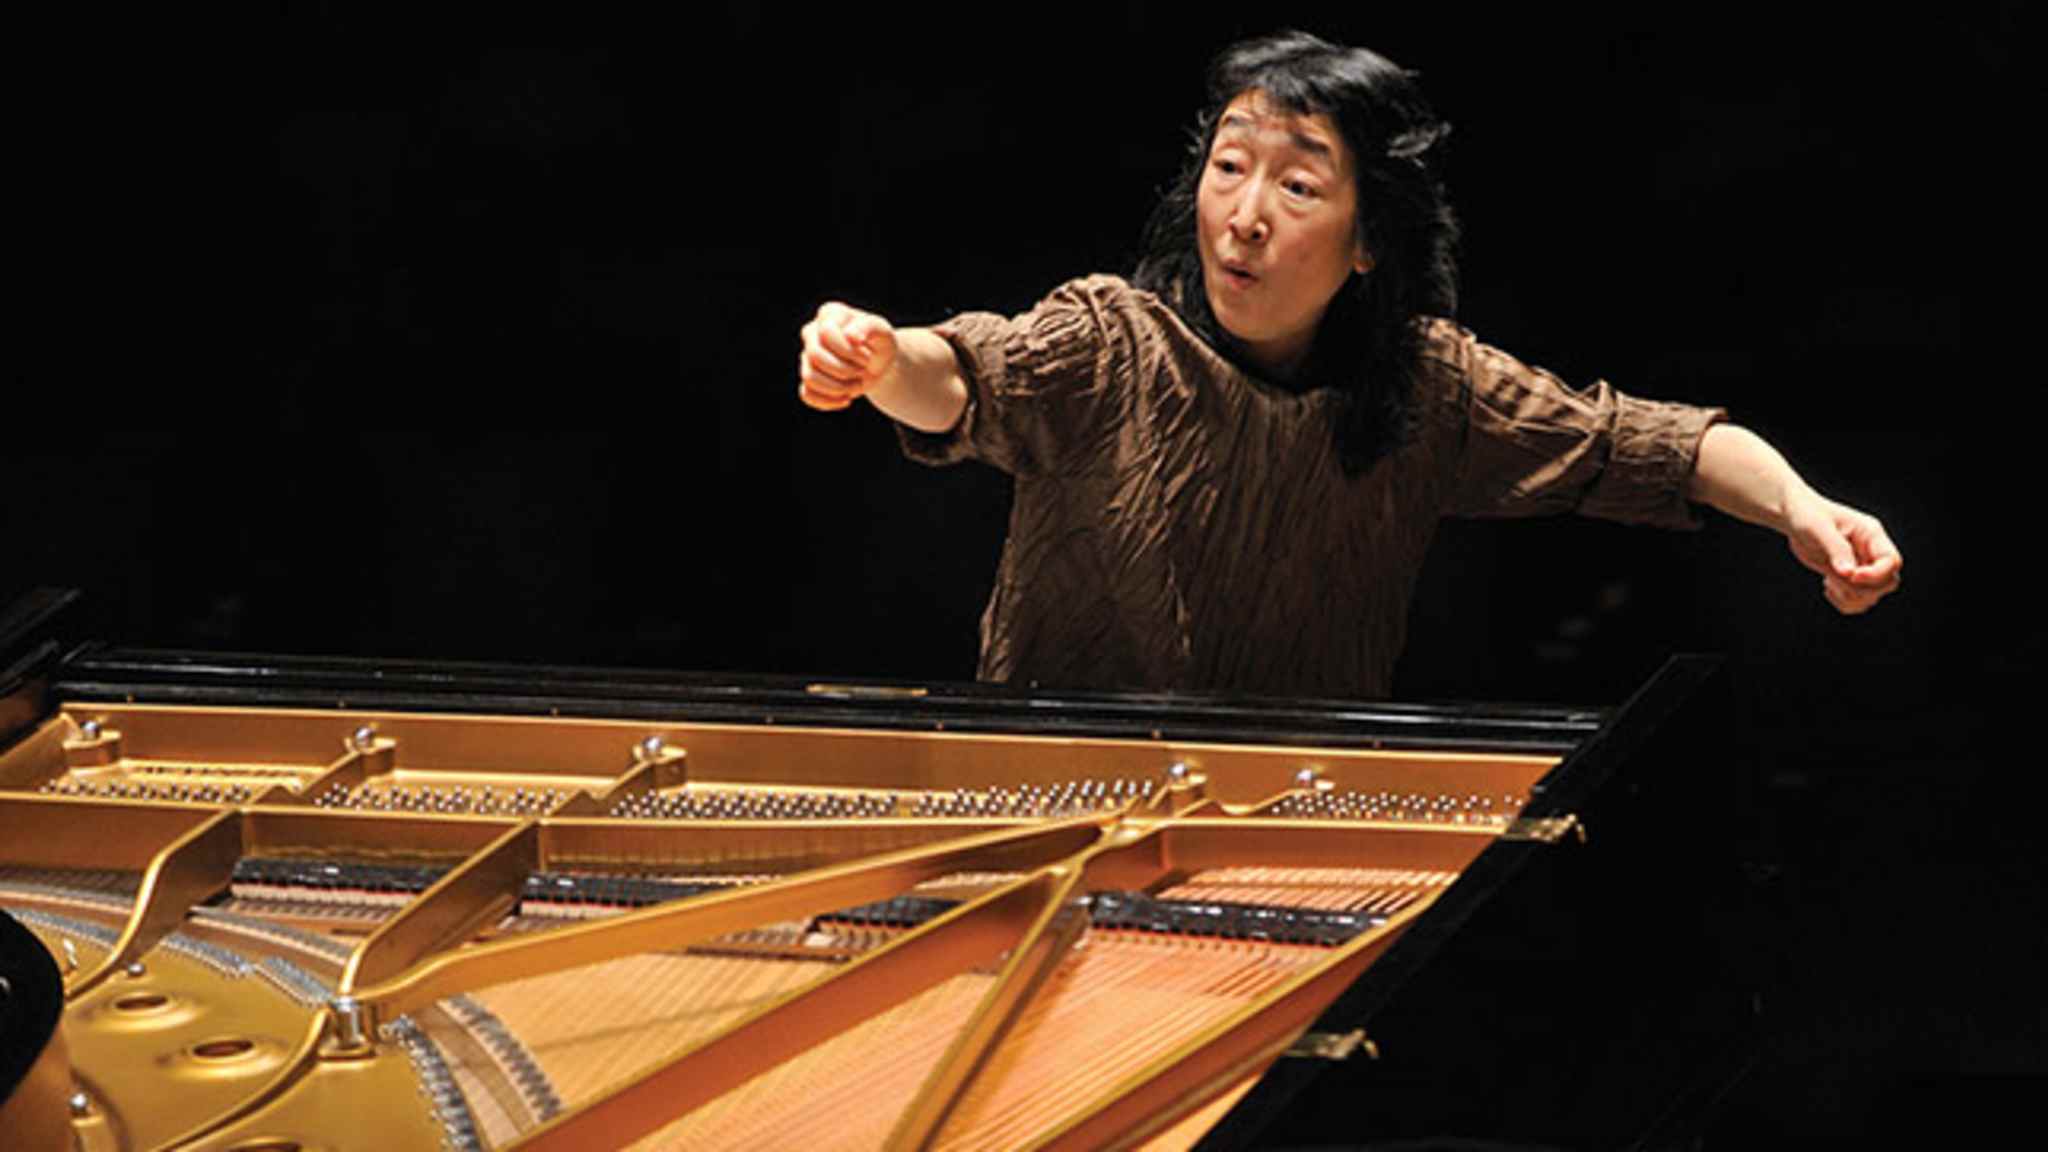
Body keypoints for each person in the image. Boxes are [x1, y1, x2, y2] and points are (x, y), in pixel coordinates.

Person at [796, 30, 1901, 698]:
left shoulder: (1427, 387)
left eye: (1296, 185)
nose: (1243, 215)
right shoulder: (1110, 341)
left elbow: (1652, 446)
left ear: (1368, 239)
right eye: (1228, 167)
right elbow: (962, 377)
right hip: (1053, 803)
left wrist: (1800, 508)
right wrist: (879, 356)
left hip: (1295, 829)